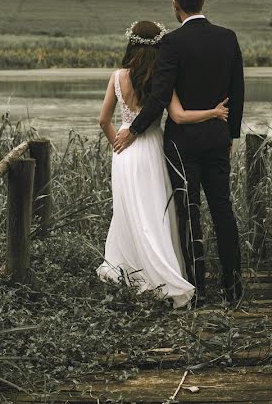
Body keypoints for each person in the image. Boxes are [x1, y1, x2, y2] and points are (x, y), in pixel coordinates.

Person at [114, 0, 245, 306]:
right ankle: (234, 288)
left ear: (176, 5)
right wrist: (230, 135)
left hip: (181, 144)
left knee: (189, 212)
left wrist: (134, 130)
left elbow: (159, 97)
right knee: (223, 209)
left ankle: (197, 287)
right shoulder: (228, 38)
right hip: (216, 138)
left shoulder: (172, 43)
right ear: (203, 1)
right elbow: (237, 92)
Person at [97, 19, 231, 308]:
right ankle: (164, 273)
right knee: (158, 212)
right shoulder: (161, 76)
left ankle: (130, 272)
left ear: (130, 42)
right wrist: (214, 112)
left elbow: (103, 120)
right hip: (152, 148)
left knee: (128, 212)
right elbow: (180, 117)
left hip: (124, 154)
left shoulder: (117, 76)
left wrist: (117, 143)